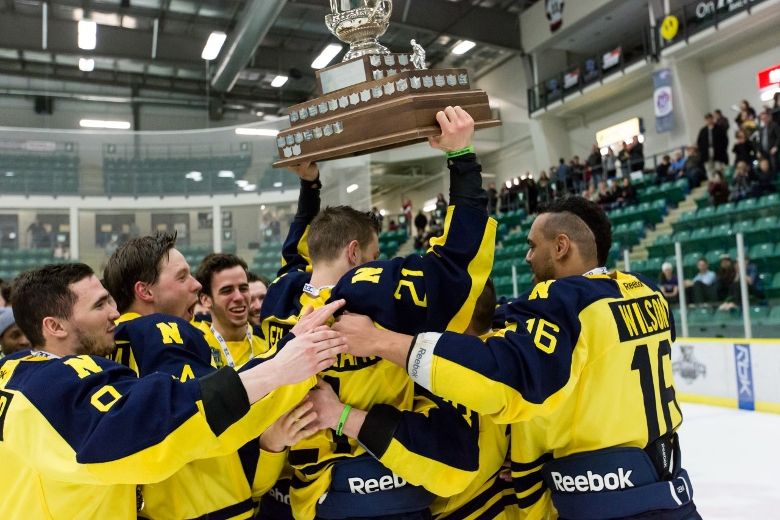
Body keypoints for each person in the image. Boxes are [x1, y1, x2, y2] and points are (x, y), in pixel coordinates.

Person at [334, 196, 700, 519]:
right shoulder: (646, 293)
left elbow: (503, 376)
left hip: (605, 500)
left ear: (561, 247)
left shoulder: (565, 302)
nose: (527, 256)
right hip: (671, 488)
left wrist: (381, 342)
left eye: (532, 245)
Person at [259, 106, 496, 519]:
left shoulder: (279, 296)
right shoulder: (378, 291)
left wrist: (309, 187)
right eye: (372, 254)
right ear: (355, 253)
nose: (376, 261)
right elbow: (457, 259)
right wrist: (461, 159)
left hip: (315, 498)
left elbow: (296, 257)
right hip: (391, 485)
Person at [0, 263, 347, 519]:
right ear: (54, 326)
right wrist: (280, 368)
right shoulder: (52, 386)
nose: (114, 314)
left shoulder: (15, 372)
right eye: (99, 305)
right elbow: (157, 427)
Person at [103, 232, 322, 519]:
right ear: (145, 292)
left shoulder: (116, 344)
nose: (195, 285)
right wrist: (297, 355)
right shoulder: (158, 331)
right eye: (182, 277)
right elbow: (215, 413)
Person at [697, 113, 729, 177]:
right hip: (706, 153)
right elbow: (699, 142)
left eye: (710, 119)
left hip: (718, 152)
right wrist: (702, 151)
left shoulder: (719, 129)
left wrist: (723, 149)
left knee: (719, 168)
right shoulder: (703, 131)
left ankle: (721, 183)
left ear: (712, 119)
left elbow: (725, 140)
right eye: (707, 119)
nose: (708, 121)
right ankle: (712, 184)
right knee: (709, 169)